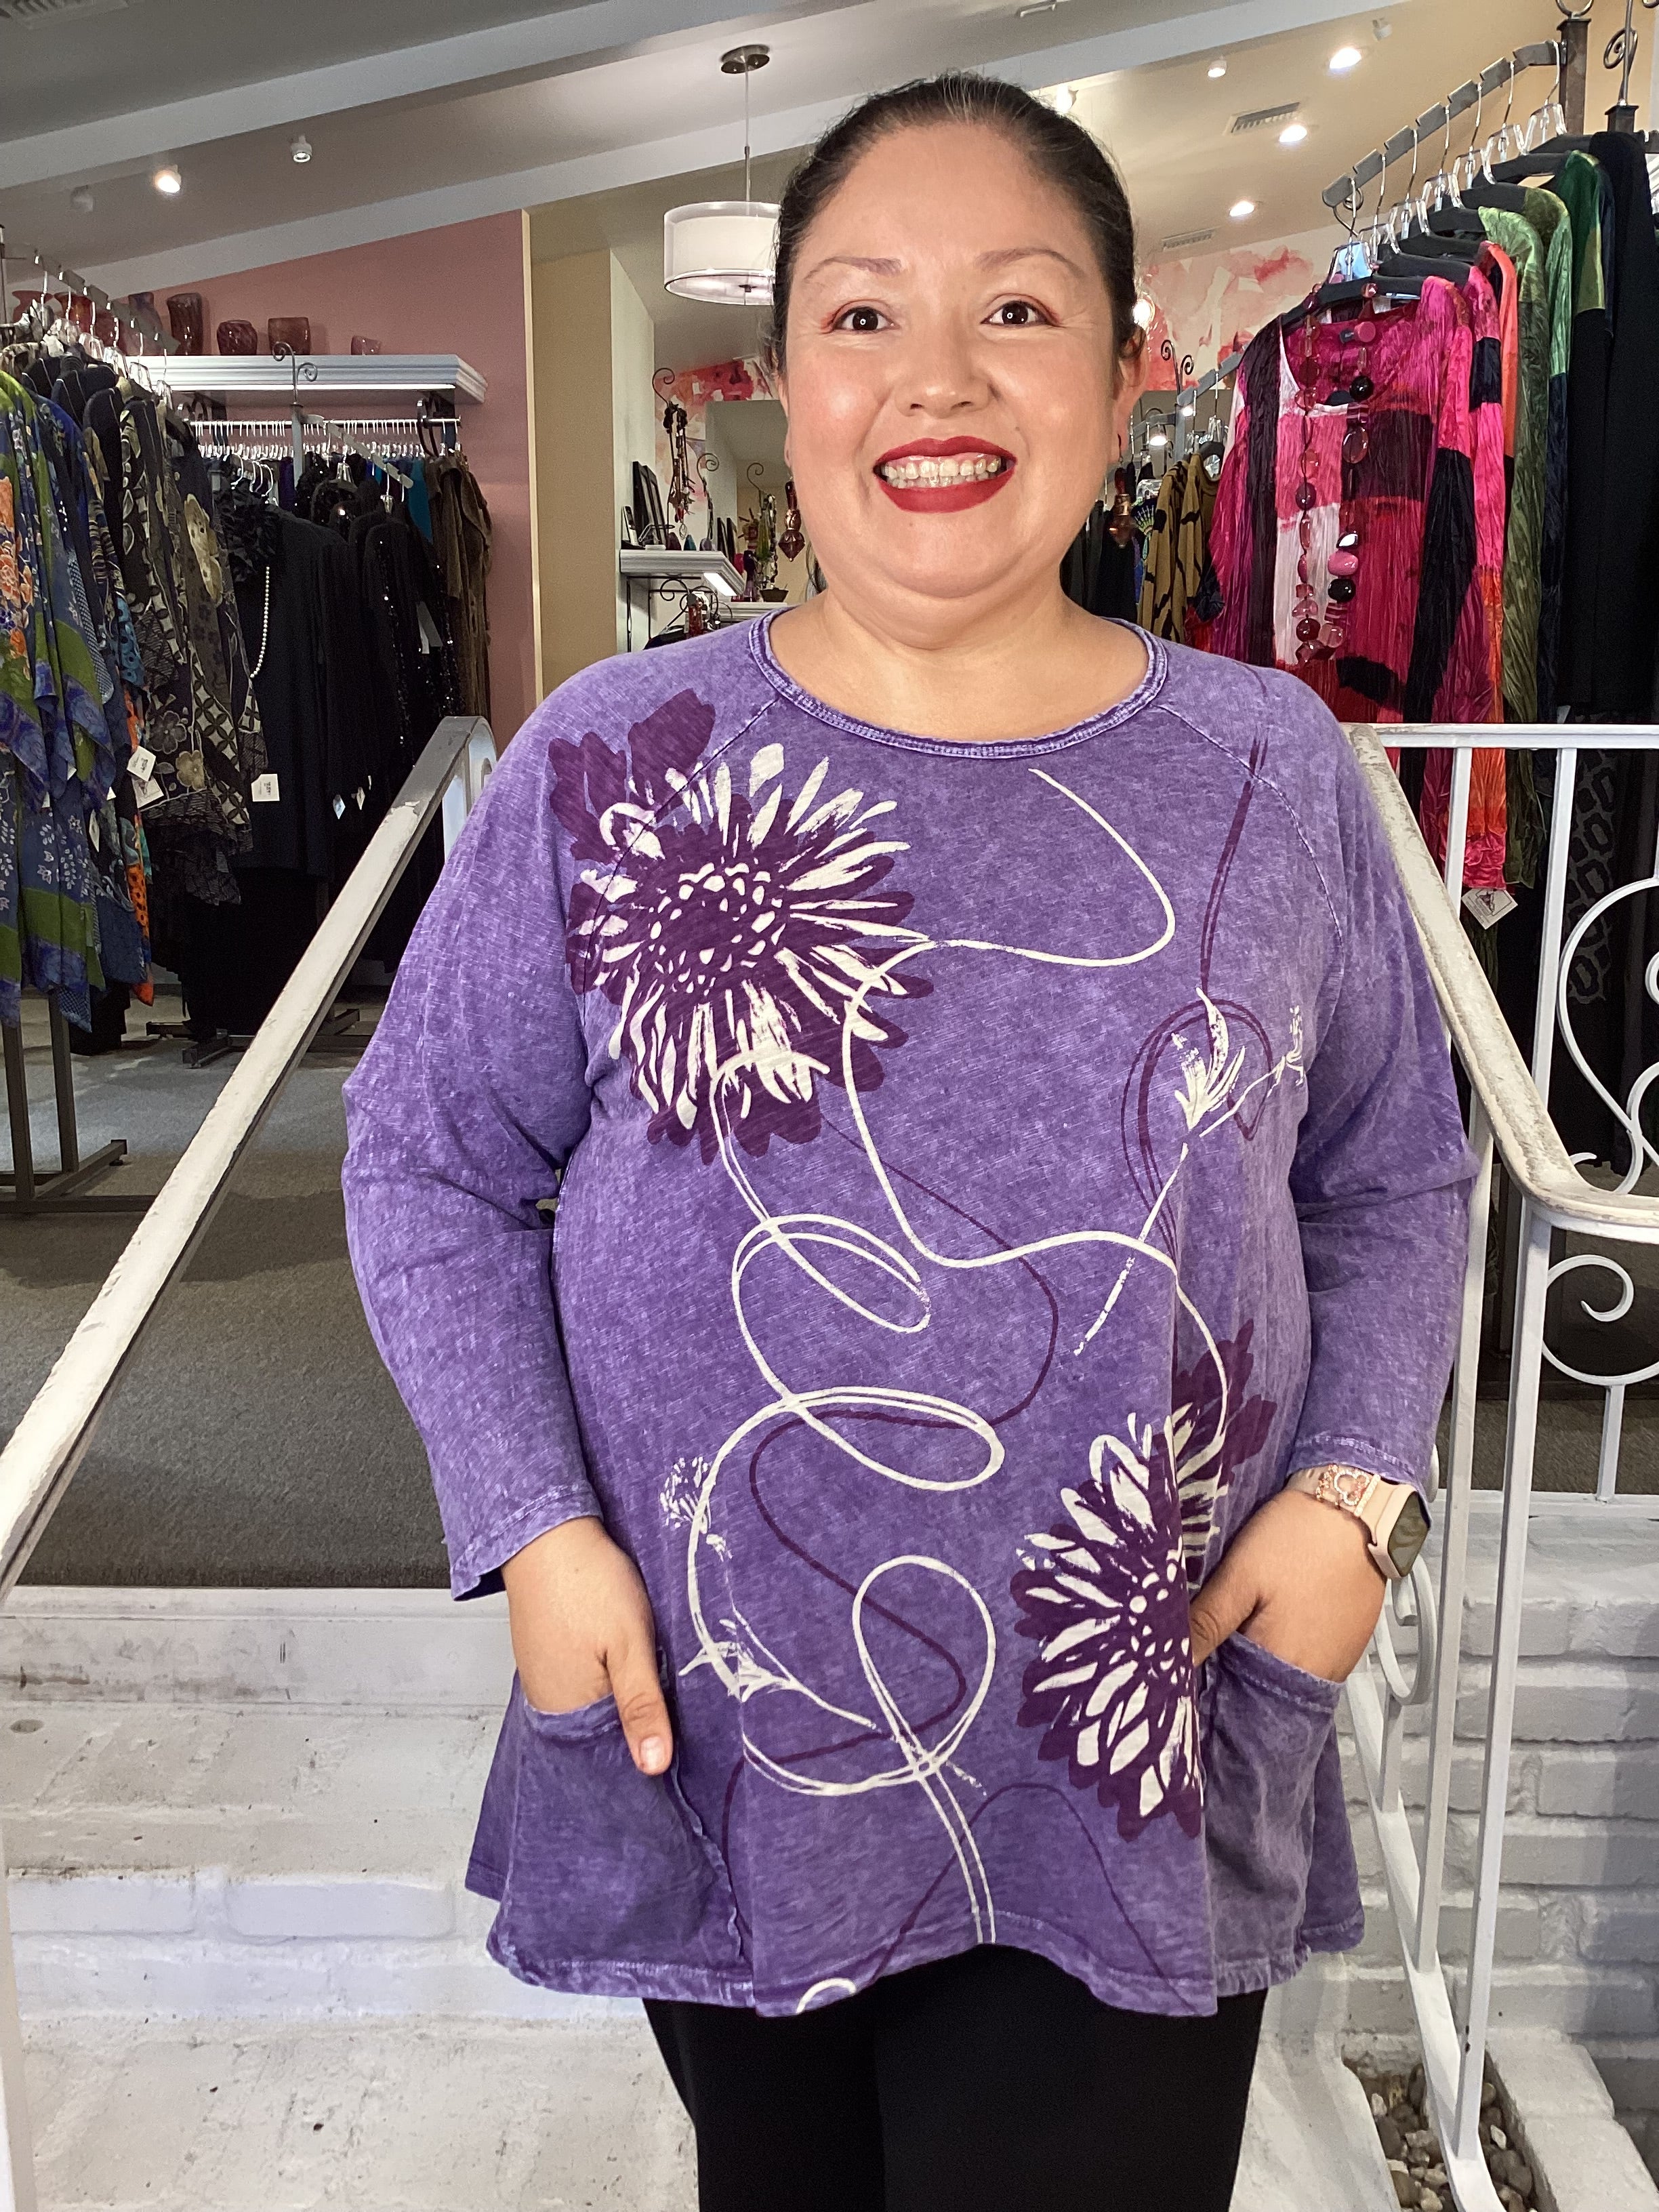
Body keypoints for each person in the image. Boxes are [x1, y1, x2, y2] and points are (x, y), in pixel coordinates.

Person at [342, 72, 1473, 2212]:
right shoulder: (615, 757)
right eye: (864, 315)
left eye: (1017, 310)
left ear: (1127, 372)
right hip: (729, 1717)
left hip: (1135, 1715)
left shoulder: (1270, 772)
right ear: (785, 378)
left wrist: (1358, 1500)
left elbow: (1395, 1172)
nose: (936, 379)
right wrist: (533, 1526)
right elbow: (427, 1163)